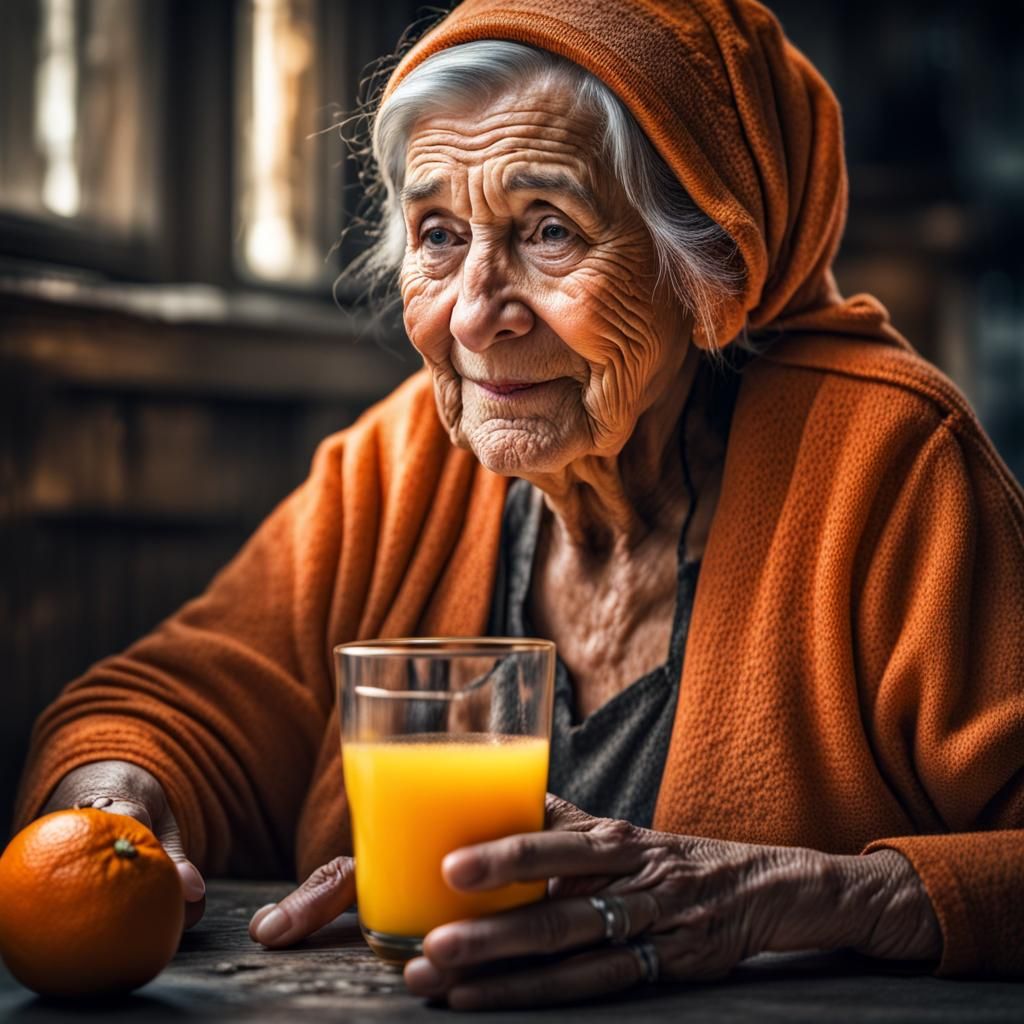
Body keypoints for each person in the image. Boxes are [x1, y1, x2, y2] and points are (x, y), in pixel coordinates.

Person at [15, 0, 1024, 1008]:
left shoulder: (887, 468)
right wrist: (115, 813)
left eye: (548, 230)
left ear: (709, 265)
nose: (473, 314)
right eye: (438, 235)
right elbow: (164, 709)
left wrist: (812, 895)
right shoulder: (399, 464)